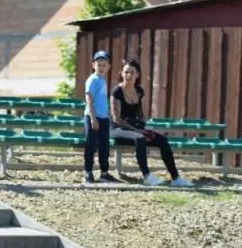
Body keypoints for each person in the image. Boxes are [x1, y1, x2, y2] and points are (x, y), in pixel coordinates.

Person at [110, 59, 194, 187]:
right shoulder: (117, 91)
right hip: (117, 129)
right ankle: (147, 177)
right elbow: (117, 119)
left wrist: (147, 128)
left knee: (162, 140)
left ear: (137, 74)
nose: (129, 75)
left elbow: (141, 115)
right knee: (140, 138)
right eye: (126, 72)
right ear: (121, 73)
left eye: (132, 72)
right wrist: (139, 131)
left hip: (135, 128)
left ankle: (176, 178)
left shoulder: (139, 91)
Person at [83, 50, 118, 184]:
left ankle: (104, 173)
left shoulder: (102, 80)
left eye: (104, 65)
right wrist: (93, 118)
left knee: (104, 146)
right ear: (93, 65)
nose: (102, 67)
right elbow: (89, 100)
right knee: (91, 145)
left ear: (108, 66)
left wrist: (107, 115)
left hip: (103, 118)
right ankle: (88, 172)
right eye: (99, 64)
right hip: (93, 117)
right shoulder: (92, 79)